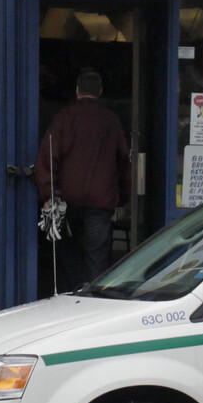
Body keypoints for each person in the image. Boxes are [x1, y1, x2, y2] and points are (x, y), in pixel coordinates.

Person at [35, 69, 130, 289]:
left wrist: (48, 192)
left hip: (68, 200)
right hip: (101, 201)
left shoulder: (64, 118)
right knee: (96, 258)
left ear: (77, 91)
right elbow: (124, 161)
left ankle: (72, 301)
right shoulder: (111, 121)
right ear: (100, 92)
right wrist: (122, 199)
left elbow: (48, 156)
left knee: (70, 255)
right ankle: (94, 303)